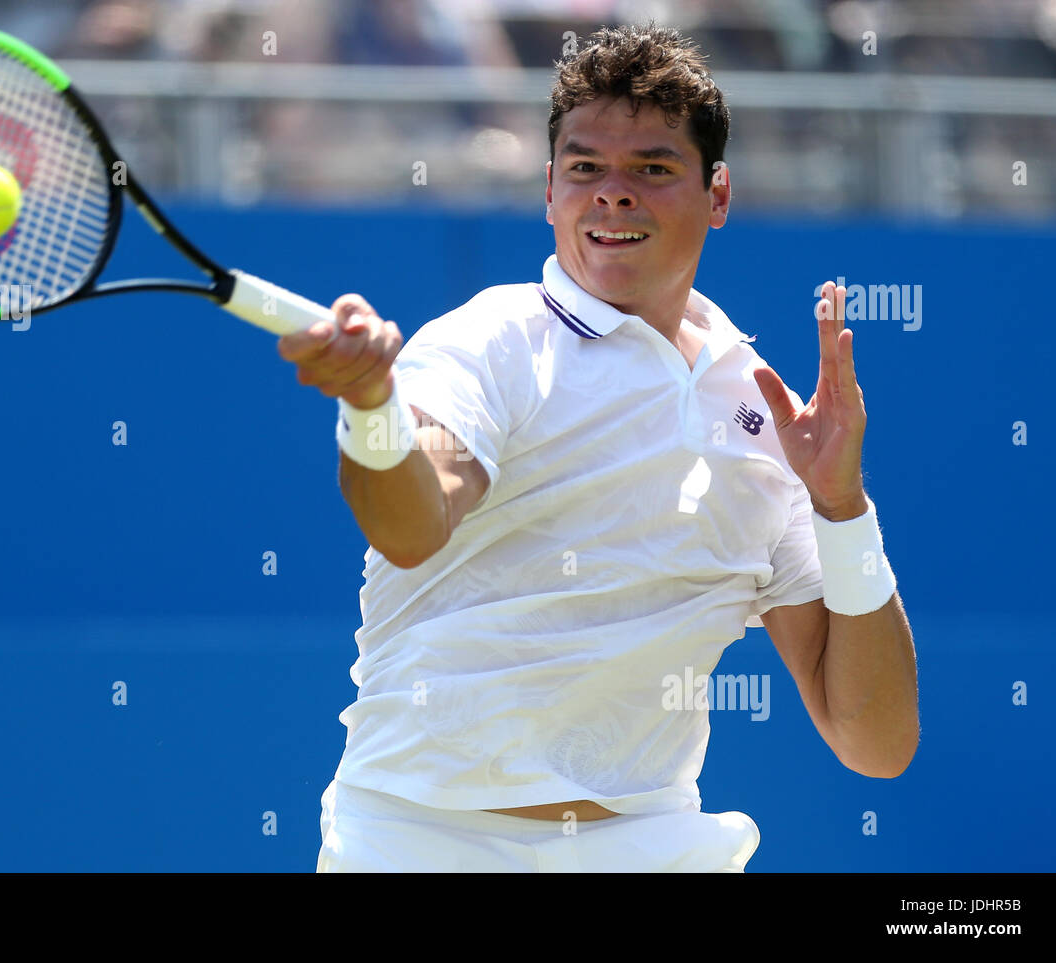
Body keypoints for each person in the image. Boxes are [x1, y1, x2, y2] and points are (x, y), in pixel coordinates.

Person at [277, 23, 919, 873]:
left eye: (652, 168)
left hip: (651, 844)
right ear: (550, 191)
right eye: (585, 169)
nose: (613, 194)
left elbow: (874, 740)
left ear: (717, 195)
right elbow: (413, 520)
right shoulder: (486, 343)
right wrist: (370, 407)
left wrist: (843, 507)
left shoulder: (766, 414)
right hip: (420, 839)